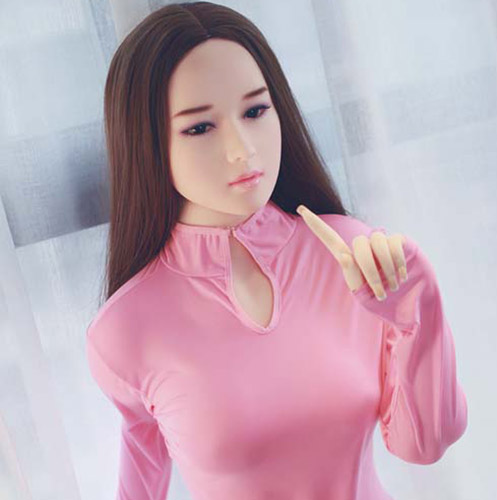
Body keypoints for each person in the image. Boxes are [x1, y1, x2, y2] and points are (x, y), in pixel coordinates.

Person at [85, 2, 468, 499]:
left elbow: (424, 444)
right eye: (200, 127)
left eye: (255, 111)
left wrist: (417, 308)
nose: (243, 149)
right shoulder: (125, 329)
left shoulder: (350, 256)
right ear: (146, 143)